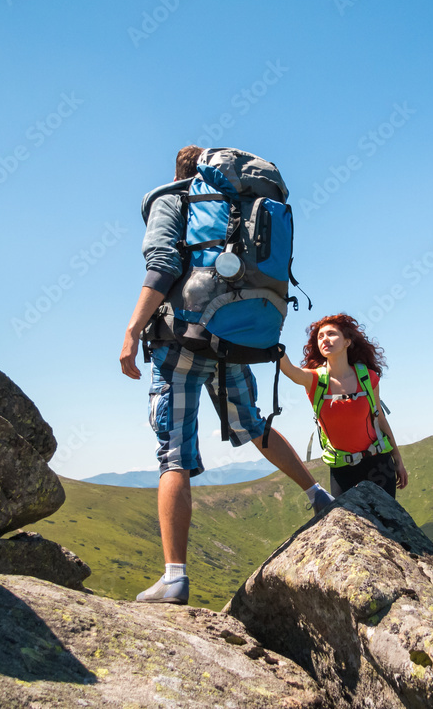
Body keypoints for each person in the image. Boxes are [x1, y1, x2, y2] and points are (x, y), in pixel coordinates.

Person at [119, 145, 334, 605]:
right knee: (252, 423)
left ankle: (174, 577)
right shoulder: (241, 205)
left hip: (181, 341)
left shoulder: (171, 201)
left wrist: (133, 330)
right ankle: (318, 497)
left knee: (173, 451)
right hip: (234, 338)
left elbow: (162, 265)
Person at [278, 313, 408, 499]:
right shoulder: (314, 380)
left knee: (384, 523)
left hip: (378, 462)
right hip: (341, 469)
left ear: (347, 341)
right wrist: (272, 342)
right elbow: (290, 370)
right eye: (320, 336)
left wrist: (398, 459)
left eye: (331, 334)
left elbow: (379, 418)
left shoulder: (367, 377)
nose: (325, 339)